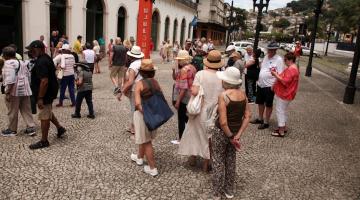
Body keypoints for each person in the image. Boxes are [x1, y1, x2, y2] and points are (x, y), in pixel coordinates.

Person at [178, 50, 224, 172]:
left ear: (207, 62)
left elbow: (194, 91)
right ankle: (206, 163)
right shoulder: (222, 76)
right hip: (215, 110)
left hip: (201, 110)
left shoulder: (201, 74)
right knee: (209, 137)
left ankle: (193, 157)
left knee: (194, 132)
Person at [210, 67, 251, 199]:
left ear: (226, 82)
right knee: (231, 161)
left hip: (222, 133)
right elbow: (247, 116)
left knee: (218, 161)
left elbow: (223, 122)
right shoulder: (243, 95)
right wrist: (237, 136)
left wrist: (230, 137)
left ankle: (217, 192)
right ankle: (229, 191)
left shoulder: (223, 96)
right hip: (235, 132)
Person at [26, 40, 66, 149]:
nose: (30, 52)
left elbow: (44, 81)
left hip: (45, 94)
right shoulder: (45, 57)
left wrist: (40, 98)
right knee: (48, 112)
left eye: (32, 50)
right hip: (49, 91)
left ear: (39, 49)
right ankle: (60, 128)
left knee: (44, 116)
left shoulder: (41, 62)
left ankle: (44, 141)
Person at [131, 59, 162, 177]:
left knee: (147, 141)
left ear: (141, 72)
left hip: (143, 114)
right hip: (154, 114)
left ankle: (152, 168)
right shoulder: (155, 82)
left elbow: (138, 104)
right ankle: (139, 157)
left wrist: (147, 114)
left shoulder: (139, 84)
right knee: (145, 137)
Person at [1, 46, 36, 136]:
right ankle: (31, 128)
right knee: (26, 109)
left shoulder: (8, 63)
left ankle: (12, 130)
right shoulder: (22, 62)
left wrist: (7, 91)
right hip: (25, 89)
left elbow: (11, 80)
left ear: (5, 55)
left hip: (14, 91)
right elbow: (28, 75)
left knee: (12, 110)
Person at [250, 42, 284, 130]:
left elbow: (280, 74)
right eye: (269, 49)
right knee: (260, 102)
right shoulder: (265, 57)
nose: (269, 51)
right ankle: (260, 118)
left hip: (270, 85)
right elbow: (263, 68)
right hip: (261, 83)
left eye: (271, 50)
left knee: (268, 104)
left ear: (275, 50)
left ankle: (266, 122)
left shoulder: (279, 60)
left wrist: (274, 85)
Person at [270, 52, 300, 137]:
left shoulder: (292, 69)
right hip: (289, 93)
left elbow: (285, 81)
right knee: (283, 110)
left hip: (285, 93)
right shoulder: (294, 68)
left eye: (285, 60)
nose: (284, 61)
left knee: (280, 110)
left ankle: (281, 130)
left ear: (290, 60)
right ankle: (283, 127)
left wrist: (275, 74)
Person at [171, 50, 197, 145]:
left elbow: (183, 88)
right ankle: (192, 135)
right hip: (191, 95)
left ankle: (181, 139)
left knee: (181, 118)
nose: (178, 61)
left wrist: (178, 101)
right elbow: (175, 78)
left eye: (179, 60)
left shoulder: (183, 70)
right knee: (187, 117)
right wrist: (174, 70)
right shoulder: (192, 67)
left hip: (184, 96)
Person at [120, 46, 144, 134]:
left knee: (133, 108)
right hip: (143, 88)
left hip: (135, 90)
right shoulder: (142, 62)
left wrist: (121, 91)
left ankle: (133, 128)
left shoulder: (133, 65)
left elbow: (130, 82)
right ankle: (134, 126)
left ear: (131, 56)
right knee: (139, 107)